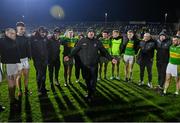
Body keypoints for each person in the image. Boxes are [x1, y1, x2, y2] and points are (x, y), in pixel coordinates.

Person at [64, 28, 117, 102]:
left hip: (94, 65)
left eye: (92, 32)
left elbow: (104, 51)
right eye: (89, 32)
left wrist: (111, 59)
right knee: (87, 79)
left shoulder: (97, 42)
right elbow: (75, 49)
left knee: (93, 80)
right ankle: (90, 91)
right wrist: (69, 56)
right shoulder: (82, 41)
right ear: (87, 33)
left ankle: (91, 93)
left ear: (94, 33)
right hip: (85, 65)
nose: (91, 33)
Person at [0, 28, 21, 105]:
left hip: (15, 64)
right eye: (11, 33)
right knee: (11, 83)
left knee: (14, 82)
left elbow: (17, 53)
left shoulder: (14, 41)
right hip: (8, 65)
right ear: (6, 33)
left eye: (14, 33)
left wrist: (18, 65)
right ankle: (11, 99)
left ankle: (13, 97)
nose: (13, 34)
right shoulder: (1, 41)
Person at [31, 26, 49, 96]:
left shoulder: (45, 39)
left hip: (44, 60)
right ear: (39, 32)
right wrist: (34, 58)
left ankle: (43, 88)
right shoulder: (34, 38)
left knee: (44, 74)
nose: (43, 33)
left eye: (44, 32)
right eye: (42, 32)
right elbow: (31, 49)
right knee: (40, 74)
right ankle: (39, 89)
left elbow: (47, 48)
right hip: (37, 60)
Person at [16, 22, 31, 96]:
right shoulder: (13, 37)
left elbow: (28, 48)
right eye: (21, 28)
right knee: (18, 76)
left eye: (23, 28)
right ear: (17, 29)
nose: (22, 30)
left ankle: (26, 89)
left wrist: (29, 56)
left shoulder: (26, 38)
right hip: (17, 60)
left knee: (26, 76)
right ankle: (19, 91)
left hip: (25, 59)